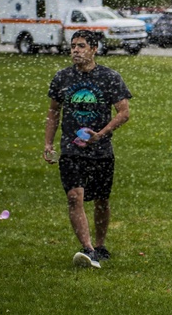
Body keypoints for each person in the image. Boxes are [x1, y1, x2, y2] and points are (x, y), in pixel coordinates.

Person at [45, 30, 132, 269]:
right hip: (71, 150)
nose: (75, 50)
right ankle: (88, 249)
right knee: (75, 197)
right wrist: (48, 143)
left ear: (94, 49)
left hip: (101, 150)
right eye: (73, 46)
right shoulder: (62, 77)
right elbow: (54, 112)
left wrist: (100, 135)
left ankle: (101, 246)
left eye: (81, 46)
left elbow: (124, 113)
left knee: (102, 200)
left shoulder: (109, 77)